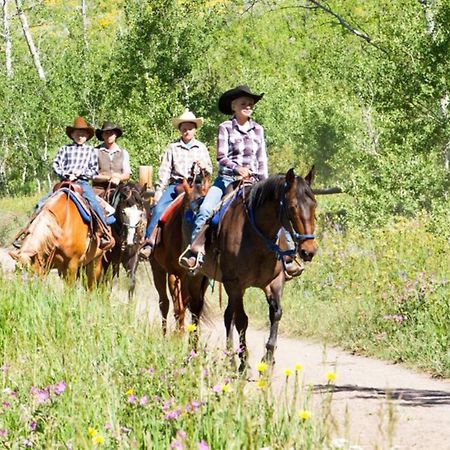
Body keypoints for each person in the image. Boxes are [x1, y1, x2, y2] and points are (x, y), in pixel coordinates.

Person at [179, 85, 267, 270]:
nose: (248, 106)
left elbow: (261, 159)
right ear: (233, 106)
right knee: (205, 210)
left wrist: (264, 182)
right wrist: (238, 169)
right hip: (227, 180)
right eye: (244, 103)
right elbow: (222, 157)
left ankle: (287, 255)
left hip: (254, 183)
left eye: (250, 103)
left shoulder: (258, 129)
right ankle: (195, 252)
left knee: (276, 208)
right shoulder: (225, 127)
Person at [139, 109, 213, 259]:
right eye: (184, 128)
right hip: (176, 185)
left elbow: (210, 170)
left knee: (209, 211)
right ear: (180, 130)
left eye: (190, 128)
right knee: (159, 209)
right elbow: (165, 170)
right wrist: (160, 190)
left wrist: (203, 167)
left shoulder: (201, 148)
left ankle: (210, 246)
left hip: (196, 186)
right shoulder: (172, 148)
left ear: (195, 130)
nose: (187, 131)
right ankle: (150, 241)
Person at [52, 116, 114, 249]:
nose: (80, 135)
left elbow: (93, 170)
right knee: (43, 203)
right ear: (72, 134)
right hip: (65, 181)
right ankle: (29, 233)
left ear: (87, 135)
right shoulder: (65, 149)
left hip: (82, 182)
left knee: (94, 203)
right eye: (77, 132)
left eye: (83, 133)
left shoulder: (90, 151)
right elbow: (56, 165)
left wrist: (81, 173)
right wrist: (66, 174)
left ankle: (104, 233)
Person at [92, 121, 131, 196]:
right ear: (102, 135)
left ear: (115, 135)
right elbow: (93, 175)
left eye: (111, 133)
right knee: (92, 204)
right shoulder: (95, 151)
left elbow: (127, 174)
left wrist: (118, 178)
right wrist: (109, 178)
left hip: (118, 189)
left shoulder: (124, 152)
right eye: (106, 133)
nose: (109, 135)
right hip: (99, 189)